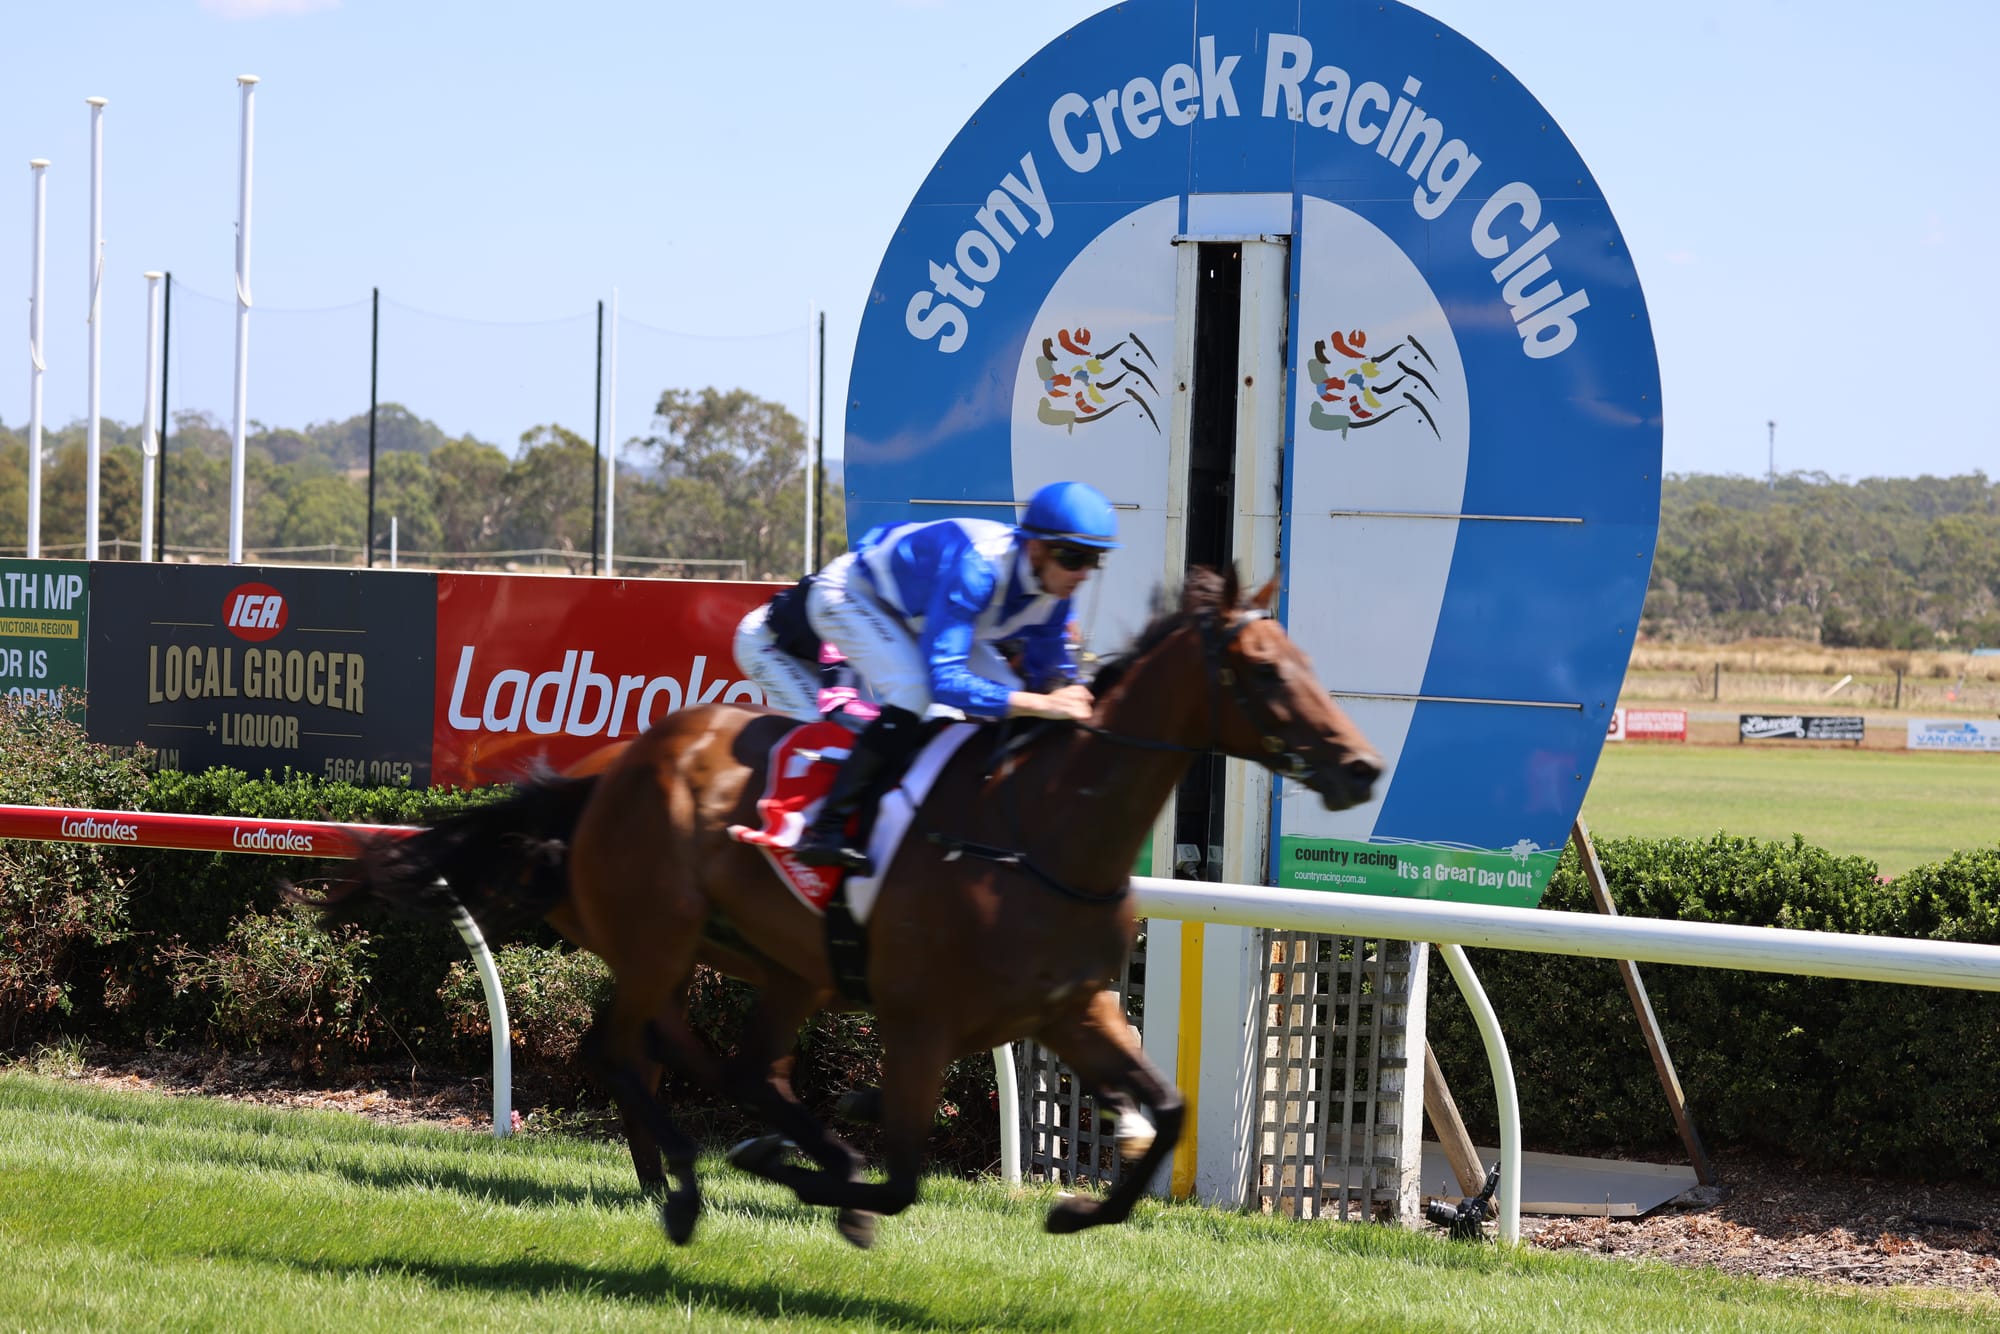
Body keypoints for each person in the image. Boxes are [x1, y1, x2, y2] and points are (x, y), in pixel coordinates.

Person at [733, 480, 1120, 873]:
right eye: (1073, 558)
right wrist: (1042, 703)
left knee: (1011, 694)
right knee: (915, 692)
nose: (1083, 573)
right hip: (851, 595)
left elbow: (1050, 679)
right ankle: (826, 828)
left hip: (909, 615)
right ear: (1035, 547)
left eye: (1094, 560)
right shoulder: (980, 568)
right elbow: (946, 682)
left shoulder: (1055, 597)